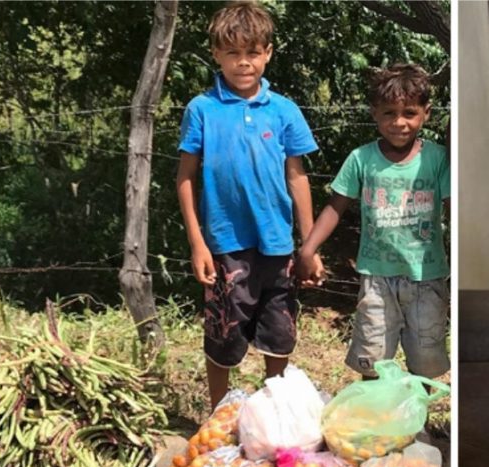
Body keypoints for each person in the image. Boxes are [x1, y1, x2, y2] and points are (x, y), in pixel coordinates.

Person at [175, 1, 324, 408]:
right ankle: (219, 417)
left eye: (253, 53)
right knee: (224, 333)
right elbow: (186, 177)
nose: (244, 63)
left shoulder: (283, 111)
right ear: (216, 54)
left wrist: (308, 245)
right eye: (233, 54)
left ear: (268, 53)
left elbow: (297, 177)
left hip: (277, 243)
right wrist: (197, 243)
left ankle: (273, 411)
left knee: (279, 331)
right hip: (225, 244)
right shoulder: (202, 110)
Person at [297, 63, 450, 379]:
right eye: (389, 113)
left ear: (426, 113)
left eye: (409, 113)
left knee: (425, 362)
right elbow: (335, 207)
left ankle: (414, 424)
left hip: (426, 277)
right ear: (374, 114)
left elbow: (454, 206)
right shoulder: (361, 159)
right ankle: (378, 426)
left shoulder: (437, 159)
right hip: (376, 278)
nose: (399, 122)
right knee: (373, 361)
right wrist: (307, 249)